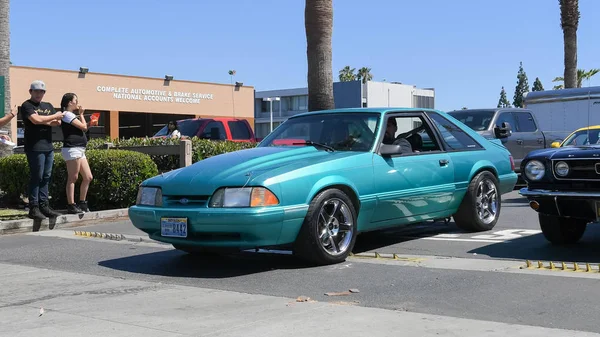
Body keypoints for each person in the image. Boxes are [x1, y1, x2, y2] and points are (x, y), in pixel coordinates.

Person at [21, 80, 65, 220]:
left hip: (48, 147)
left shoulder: (48, 106)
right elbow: (35, 120)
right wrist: (52, 117)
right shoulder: (26, 105)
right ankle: (33, 208)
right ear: (30, 92)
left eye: (41, 91)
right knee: (37, 177)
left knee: (46, 177)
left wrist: (47, 119)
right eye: (36, 91)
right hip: (34, 147)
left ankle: (44, 205)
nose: (39, 94)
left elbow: (56, 123)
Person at [60, 93, 93, 214]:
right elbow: (83, 127)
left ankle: (82, 202)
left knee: (88, 177)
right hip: (72, 149)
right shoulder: (67, 114)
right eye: (75, 100)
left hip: (80, 149)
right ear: (69, 102)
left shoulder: (72, 116)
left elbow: (82, 128)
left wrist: (89, 123)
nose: (77, 102)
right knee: (73, 177)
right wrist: (82, 114)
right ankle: (71, 204)